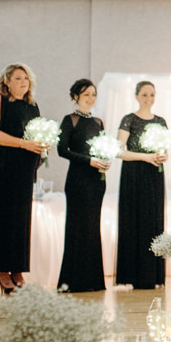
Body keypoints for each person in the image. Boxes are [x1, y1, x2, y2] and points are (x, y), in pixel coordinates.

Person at [0, 64, 47, 293]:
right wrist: (24, 143)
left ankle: (18, 269)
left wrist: (41, 144)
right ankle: (2, 272)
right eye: (18, 78)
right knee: (2, 219)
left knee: (21, 220)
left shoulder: (32, 106)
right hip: (3, 170)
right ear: (7, 81)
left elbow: (36, 133)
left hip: (24, 170)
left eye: (26, 78)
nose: (23, 82)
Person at [56, 78, 111, 293]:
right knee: (77, 227)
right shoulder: (70, 120)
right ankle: (72, 281)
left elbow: (104, 147)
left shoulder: (98, 122)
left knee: (92, 228)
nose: (91, 98)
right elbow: (62, 150)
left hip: (97, 181)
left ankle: (93, 281)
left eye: (93, 94)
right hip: (78, 180)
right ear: (76, 96)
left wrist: (105, 161)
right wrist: (89, 161)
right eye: (86, 94)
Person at [115, 81, 169, 290]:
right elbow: (119, 151)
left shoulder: (161, 121)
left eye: (152, 95)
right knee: (132, 221)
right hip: (133, 175)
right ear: (137, 96)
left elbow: (165, 151)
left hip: (154, 175)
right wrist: (145, 157)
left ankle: (153, 276)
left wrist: (160, 157)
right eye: (145, 95)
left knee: (153, 221)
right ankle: (131, 276)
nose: (149, 99)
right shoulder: (129, 119)